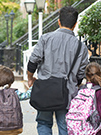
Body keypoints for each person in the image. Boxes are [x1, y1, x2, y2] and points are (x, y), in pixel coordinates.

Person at [27, 6, 89, 135]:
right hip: (66, 94)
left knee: (44, 122)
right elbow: (80, 74)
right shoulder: (81, 47)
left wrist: (30, 78)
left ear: (59, 21)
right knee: (65, 125)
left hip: (45, 90)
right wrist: (73, 84)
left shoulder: (45, 38)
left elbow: (33, 61)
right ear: (75, 24)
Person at [0, 67, 32, 135]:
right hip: (14, 127)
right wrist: (32, 87)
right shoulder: (15, 93)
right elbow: (27, 95)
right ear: (11, 81)